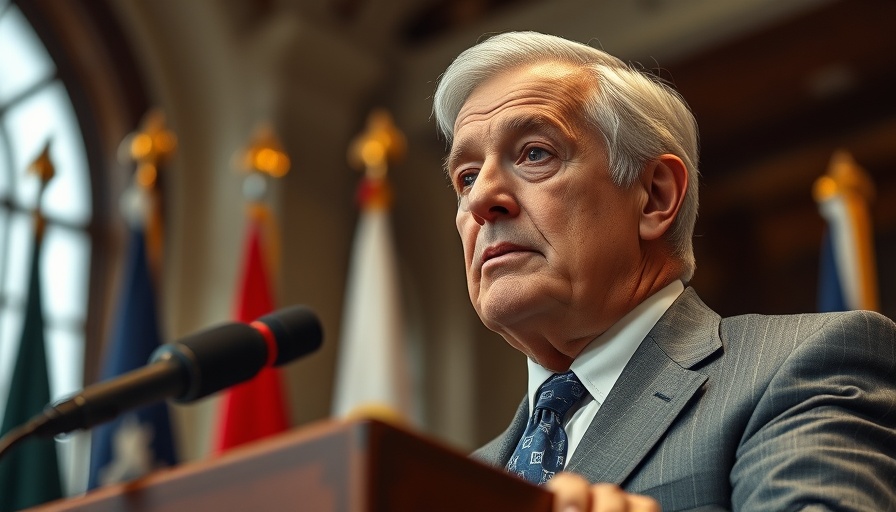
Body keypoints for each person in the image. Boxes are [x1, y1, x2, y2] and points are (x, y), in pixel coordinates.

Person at [432, 31, 896, 511]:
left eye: (535, 153)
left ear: (654, 196)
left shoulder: (800, 366)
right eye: (465, 177)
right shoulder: (452, 488)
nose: (481, 198)